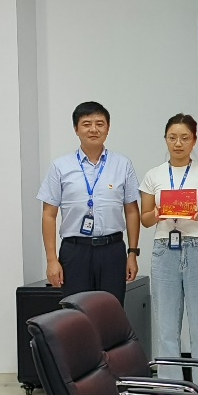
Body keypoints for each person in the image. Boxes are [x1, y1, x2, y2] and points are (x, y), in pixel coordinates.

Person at [139, 114, 198, 395]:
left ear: (194, 141)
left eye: (185, 138)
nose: (178, 143)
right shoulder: (153, 175)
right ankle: (170, 393)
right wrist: (157, 213)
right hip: (165, 249)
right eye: (172, 137)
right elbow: (145, 220)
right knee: (167, 328)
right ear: (165, 139)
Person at [37, 101, 140, 304]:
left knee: (110, 312)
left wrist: (132, 253)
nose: (94, 129)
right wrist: (51, 260)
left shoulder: (123, 164)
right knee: (75, 313)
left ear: (108, 128)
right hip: (75, 251)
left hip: (112, 250)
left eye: (100, 124)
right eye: (86, 124)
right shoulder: (60, 166)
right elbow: (48, 214)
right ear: (76, 129)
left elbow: (132, 211)